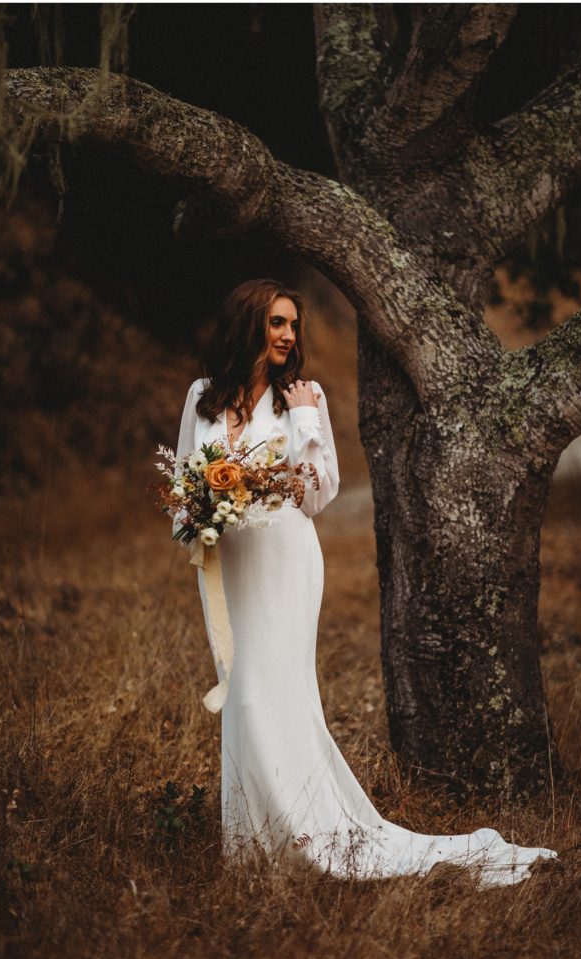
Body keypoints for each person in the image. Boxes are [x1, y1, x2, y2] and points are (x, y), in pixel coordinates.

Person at [172, 278, 558, 887]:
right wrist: (200, 513)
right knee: (242, 696)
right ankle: (252, 847)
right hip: (232, 565)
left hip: (286, 559)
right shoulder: (203, 397)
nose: (288, 336)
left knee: (271, 693)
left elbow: (318, 493)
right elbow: (185, 492)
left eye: (293, 325)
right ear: (248, 323)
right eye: (277, 323)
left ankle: (306, 834)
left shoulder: (305, 395)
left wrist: (301, 422)